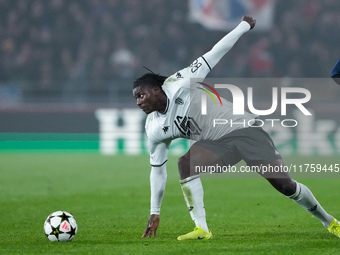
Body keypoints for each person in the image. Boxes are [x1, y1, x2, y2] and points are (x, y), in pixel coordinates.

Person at [132, 16, 340, 240]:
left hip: (244, 129)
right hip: (217, 145)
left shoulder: (181, 83)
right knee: (186, 163)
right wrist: (155, 212)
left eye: (141, 95)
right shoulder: (154, 127)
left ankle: (330, 222)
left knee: (285, 186)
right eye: (135, 99)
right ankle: (201, 228)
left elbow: (214, 53)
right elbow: (157, 170)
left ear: (156, 90)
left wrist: (243, 26)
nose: (139, 102)